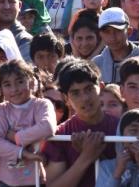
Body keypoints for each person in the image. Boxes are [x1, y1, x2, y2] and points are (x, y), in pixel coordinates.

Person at [44, 59, 120, 187]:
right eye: (75, 93)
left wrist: (95, 155)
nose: (85, 98)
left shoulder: (121, 128)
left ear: (100, 88)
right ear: (66, 98)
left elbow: (132, 176)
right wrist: (85, 157)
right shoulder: (59, 135)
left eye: (89, 89)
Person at [0, 59, 55, 186]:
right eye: (7, 84)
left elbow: (48, 127)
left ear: (30, 81)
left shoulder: (42, 105)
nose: (14, 89)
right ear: (0, 88)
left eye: (19, 82)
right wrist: (24, 153)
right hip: (6, 181)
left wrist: (16, 137)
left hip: (36, 181)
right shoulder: (1, 111)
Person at [93, 8, 139, 84]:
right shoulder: (96, 64)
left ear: (129, 31)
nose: (112, 37)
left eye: (118, 31)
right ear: (100, 35)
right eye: (107, 32)